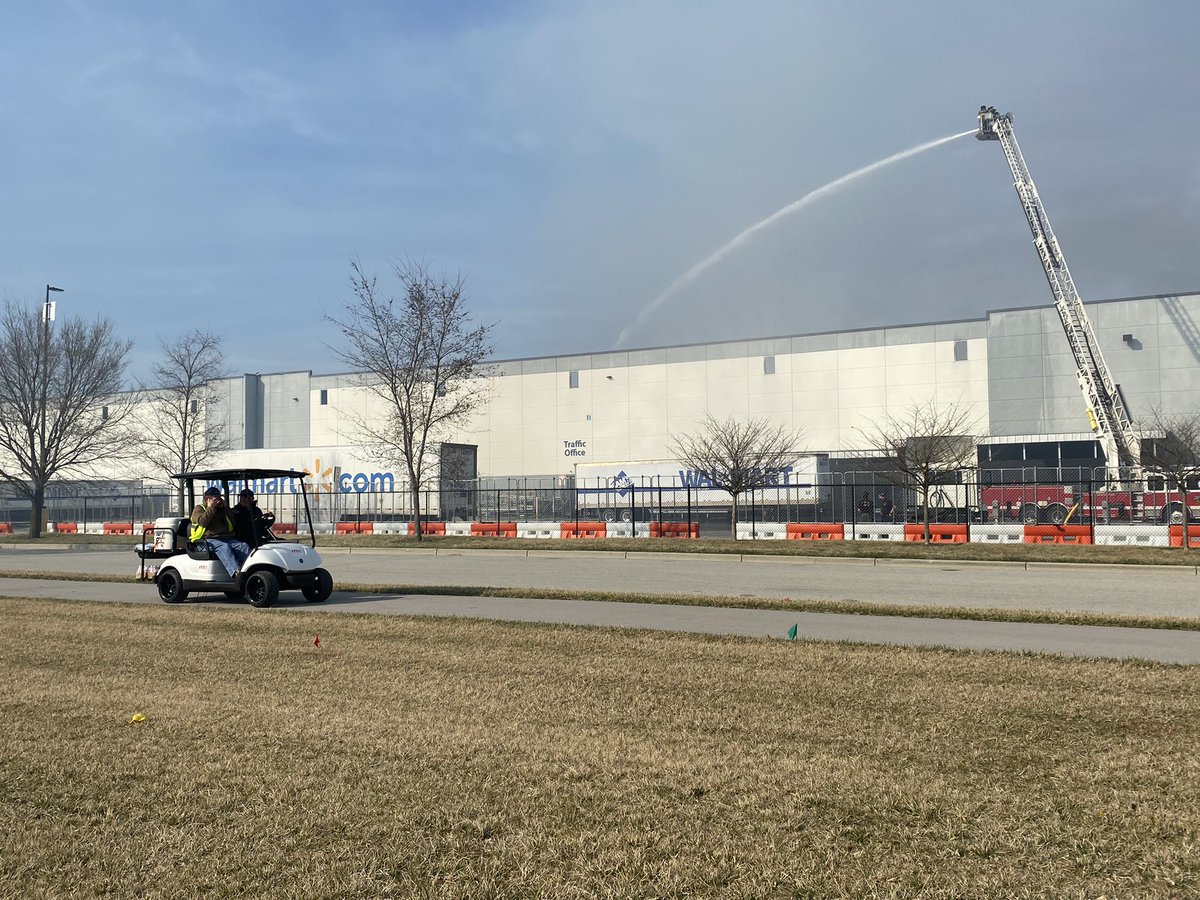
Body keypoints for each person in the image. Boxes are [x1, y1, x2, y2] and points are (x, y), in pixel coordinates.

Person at [190, 486, 250, 579]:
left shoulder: (221, 509)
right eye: (215, 499)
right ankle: (237, 573)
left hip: (225, 538)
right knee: (223, 547)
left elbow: (234, 521)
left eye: (219, 498)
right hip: (205, 540)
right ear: (207, 499)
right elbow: (202, 521)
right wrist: (210, 508)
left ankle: (248, 570)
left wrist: (226, 508)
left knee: (243, 546)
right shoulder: (199, 509)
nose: (218, 501)